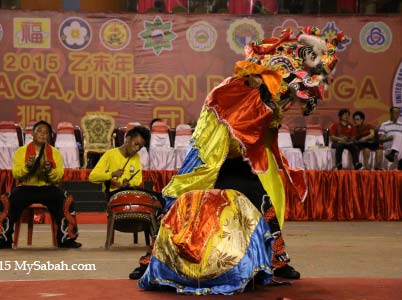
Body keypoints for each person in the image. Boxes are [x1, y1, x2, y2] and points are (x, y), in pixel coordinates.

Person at [136, 27, 345, 294]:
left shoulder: (273, 95)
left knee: (263, 199)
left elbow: (265, 125)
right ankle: (151, 259)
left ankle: (276, 260)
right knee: (181, 198)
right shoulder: (236, 89)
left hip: (240, 157)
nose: (289, 98)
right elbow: (236, 124)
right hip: (212, 156)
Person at [0, 120, 81, 249]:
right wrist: (27, 166)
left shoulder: (55, 152)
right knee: (6, 199)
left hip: (48, 188)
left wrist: (49, 170)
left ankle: (67, 238)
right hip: (26, 188)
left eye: (46, 133)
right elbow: (16, 174)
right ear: (32, 133)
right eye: (39, 131)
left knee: (66, 198)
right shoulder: (21, 151)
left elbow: (59, 176)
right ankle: (2, 238)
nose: (42, 135)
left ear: (49, 136)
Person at [88, 126, 151, 197]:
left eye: (140, 147)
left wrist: (129, 183)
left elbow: (138, 180)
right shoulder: (110, 154)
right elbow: (92, 177)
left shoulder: (136, 156)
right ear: (128, 139)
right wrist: (111, 175)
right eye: (136, 144)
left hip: (130, 194)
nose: (137, 149)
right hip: (113, 196)